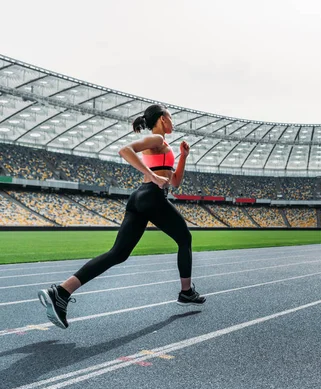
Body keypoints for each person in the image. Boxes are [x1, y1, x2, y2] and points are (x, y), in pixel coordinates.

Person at [38, 104, 205, 329]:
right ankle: (186, 292)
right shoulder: (156, 139)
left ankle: (61, 291)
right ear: (163, 119)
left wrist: (183, 157)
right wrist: (153, 176)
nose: (173, 123)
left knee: (118, 253)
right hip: (150, 195)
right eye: (171, 118)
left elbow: (174, 182)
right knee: (185, 239)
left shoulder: (165, 146)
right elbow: (124, 150)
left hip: (141, 198)